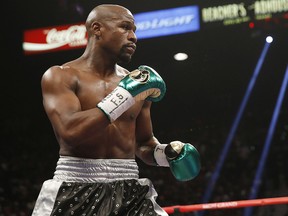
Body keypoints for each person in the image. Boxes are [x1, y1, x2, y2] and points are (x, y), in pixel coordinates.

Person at [31, 4, 201, 216]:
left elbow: (143, 144)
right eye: (125, 27)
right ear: (97, 29)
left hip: (130, 188)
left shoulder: (138, 84)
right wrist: (125, 95)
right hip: (76, 187)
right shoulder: (60, 76)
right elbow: (70, 132)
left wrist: (167, 154)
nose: (133, 37)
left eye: (134, 31)